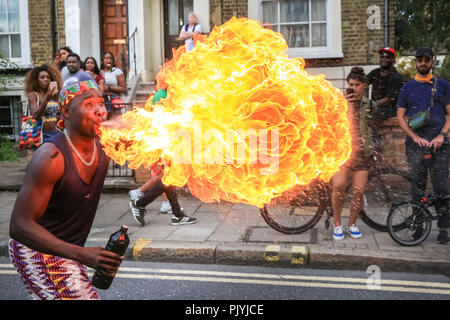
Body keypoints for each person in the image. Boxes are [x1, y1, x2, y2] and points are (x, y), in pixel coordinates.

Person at [8, 80, 122, 300]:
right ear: (66, 111)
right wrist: (81, 254)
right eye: (89, 104)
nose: (100, 110)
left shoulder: (104, 147)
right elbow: (19, 226)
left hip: (66, 249)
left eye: (100, 103)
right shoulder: (51, 157)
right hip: (36, 251)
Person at [396, 47, 450, 244]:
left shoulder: (442, 85)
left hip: (440, 145)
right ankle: (418, 226)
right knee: (417, 188)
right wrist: (414, 136)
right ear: (415, 62)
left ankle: (444, 228)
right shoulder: (406, 88)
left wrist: (442, 136)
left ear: (432, 62)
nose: (423, 63)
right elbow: (400, 117)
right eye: (419, 60)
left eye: (426, 60)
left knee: (441, 187)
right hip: (415, 146)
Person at [331, 67, 379, 240]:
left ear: (364, 85)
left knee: (359, 190)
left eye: (357, 85)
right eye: (351, 84)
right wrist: (346, 104)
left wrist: (373, 148)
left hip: (362, 154)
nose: (354, 88)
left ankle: (352, 224)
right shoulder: (340, 103)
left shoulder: (371, 105)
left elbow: (373, 128)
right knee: (339, 186)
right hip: (343, 153)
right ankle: (337, 224)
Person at [128, 164, 197, 226]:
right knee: (167, 180)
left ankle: (177, 214)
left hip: (176, 154)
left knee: (168, 181)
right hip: (174, 154)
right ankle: (139, 203)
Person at [24, 64, 62, 145]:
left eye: (48, 77)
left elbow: (60, 114)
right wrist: (47, 98)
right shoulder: (33, 95)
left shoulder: (55, 95)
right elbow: (35, 116)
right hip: (41, 135)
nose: (46, 79)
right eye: (42, 77)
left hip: (57, 133)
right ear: (36, 80)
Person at [367, 47, 403, 121]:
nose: (383, 59)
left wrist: (371, 104)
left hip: (389, 110)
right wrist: (365, 100)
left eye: (387, 57)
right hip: (375, 108)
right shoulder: (375, 72)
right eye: (382, 57)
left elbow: (390, 100)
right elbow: (363, 83)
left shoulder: (396, 77)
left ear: (393, 59)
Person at [101, 51, 127, 119]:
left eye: (110, 59)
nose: (109, 60)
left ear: (113, 61)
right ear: (102, 61)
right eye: (106, 58)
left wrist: (109, 88)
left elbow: (123, 89)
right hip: (102, 101)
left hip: (115, 100)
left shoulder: (117, 71)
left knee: (117, 121)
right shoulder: (99, 72)